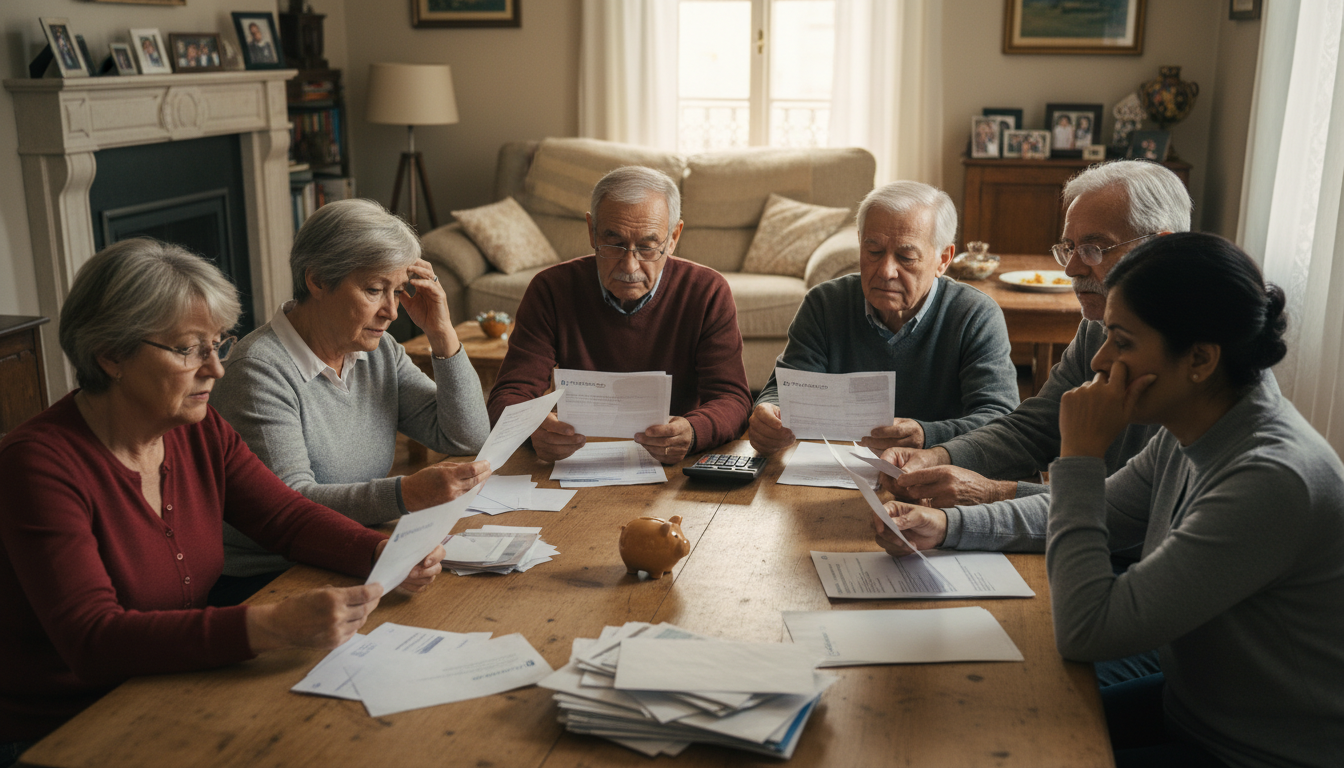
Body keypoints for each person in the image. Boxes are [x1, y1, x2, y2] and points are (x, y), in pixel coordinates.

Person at [0, 239, 444, 761]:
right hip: (65, 729)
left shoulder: (196, 428)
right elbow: (94, 639)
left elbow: (284, 517)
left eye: (218, 344)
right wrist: (269, 625)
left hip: (177, 683)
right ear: (111, 355)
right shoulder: (37, 465)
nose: (216, 369)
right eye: (189, 349)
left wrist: (382, 553)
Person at [1047, 234, 1342, 767]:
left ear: (1201, 358)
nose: (1099, 360)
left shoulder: (1270, 479)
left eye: (1122, 342)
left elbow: (1086, 629)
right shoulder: (1195, 426)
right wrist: (951, 522)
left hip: (1257, 754)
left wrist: (1080, 456)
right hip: (1193, 711)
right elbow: (1095, 511)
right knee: (1009, 720)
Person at [877, 161, 1190, 556]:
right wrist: (938, 457)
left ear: (1158, 247)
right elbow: (1035, 426)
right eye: (1069, 248)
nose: (1072, 267)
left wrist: (993, 494)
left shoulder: (1192, 365)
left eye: (1094, 248)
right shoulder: (1097, 325)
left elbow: (1129, 515)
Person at [213, 199, 489, 604]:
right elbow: (291, 507)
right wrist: (404, 494)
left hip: (355, 550)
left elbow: (466, 436)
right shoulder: (258, 371)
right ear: (317, 280)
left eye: (397, 291)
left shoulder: (378, 352)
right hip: (271, 578)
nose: (392, 311)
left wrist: (442, 333)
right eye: (375, 290)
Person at [487, 165, 752, 465]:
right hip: (576, 460)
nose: (629, 266)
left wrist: (692, 431)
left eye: (647, 247)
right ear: (592, 231)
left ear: (673, 237)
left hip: (674, 462)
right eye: (614, 244)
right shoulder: (550, 289)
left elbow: (733, 399)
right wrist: (531, 429)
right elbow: (509, 393)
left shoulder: (707, 291)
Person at [748, 182, 1018, 456]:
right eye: (874, 252)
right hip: (837, 465)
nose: (886, 271)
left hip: (939, 469)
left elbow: (1000, 420)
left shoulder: (975, 315)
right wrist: (768, 413)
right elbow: (787, 390)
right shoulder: (825, 304)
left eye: (906, 257)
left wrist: (927, 435)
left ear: (943, 259)